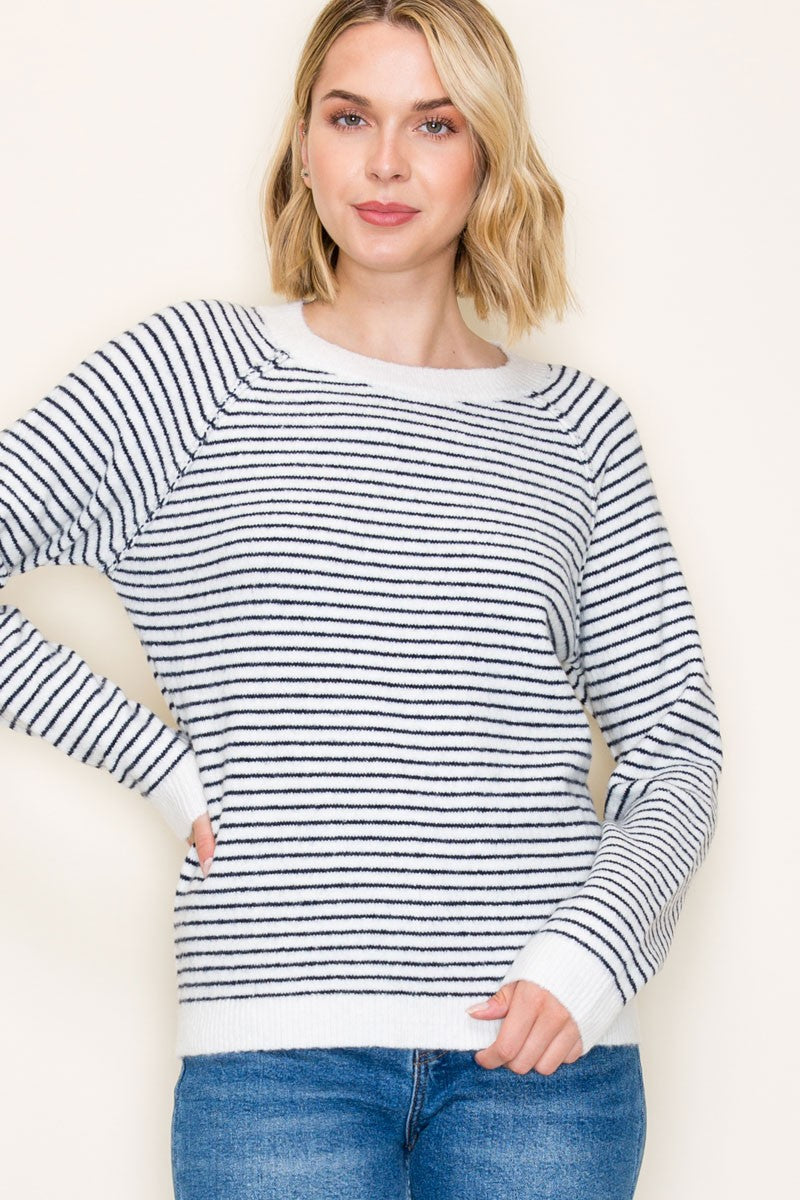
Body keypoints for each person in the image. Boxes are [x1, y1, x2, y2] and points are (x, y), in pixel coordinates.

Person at [0, 1, 722, 1197]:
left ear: (486, 153)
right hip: (276, 1062)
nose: (385, 163)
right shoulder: (193, 374)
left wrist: (591, 957)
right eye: (349, 118)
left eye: (434, 124)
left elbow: (674, 749)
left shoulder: (579, 430)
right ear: (302, 146)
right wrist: (159, 763)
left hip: (545, 1068)